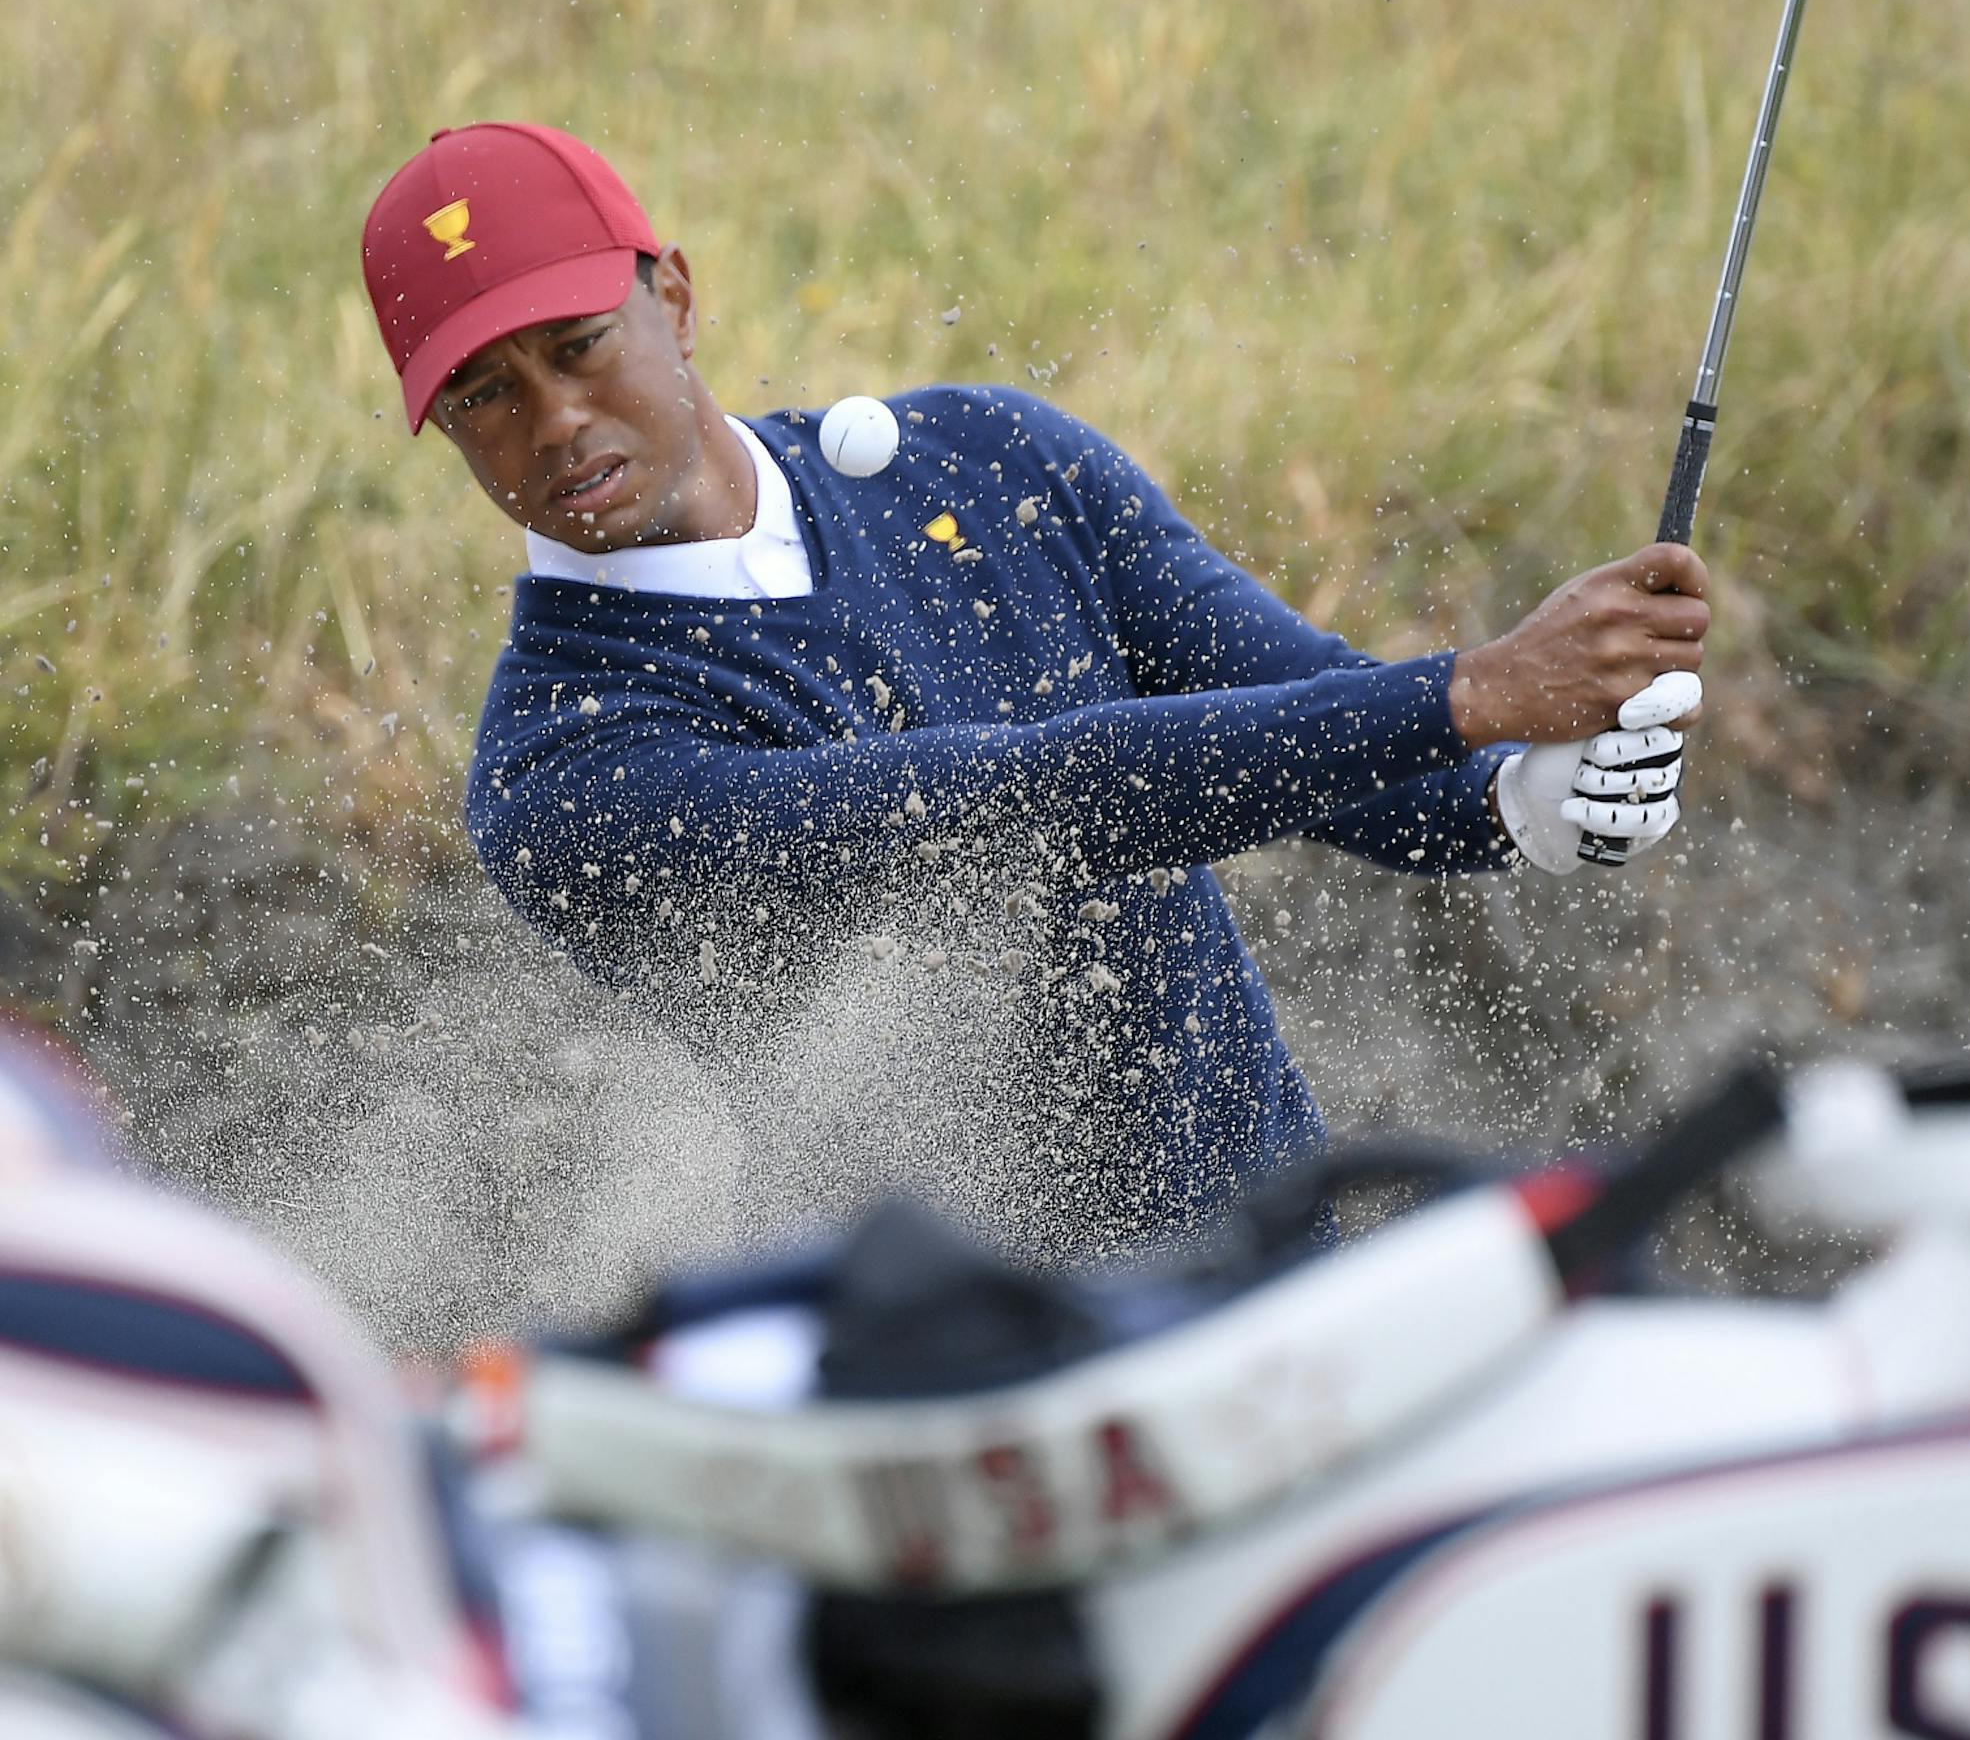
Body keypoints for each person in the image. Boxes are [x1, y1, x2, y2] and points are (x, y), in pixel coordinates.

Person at [359, 120, 1710, 1267]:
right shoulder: (561, 771)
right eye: (483, 396)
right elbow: (1024, 806)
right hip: (962, 1371)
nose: (552, 424)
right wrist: (1477, 693)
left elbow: (1332, 724)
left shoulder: (990, 456)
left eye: (580, 345)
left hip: (1272, 1272)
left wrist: (1525, 801)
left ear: (676, 296)